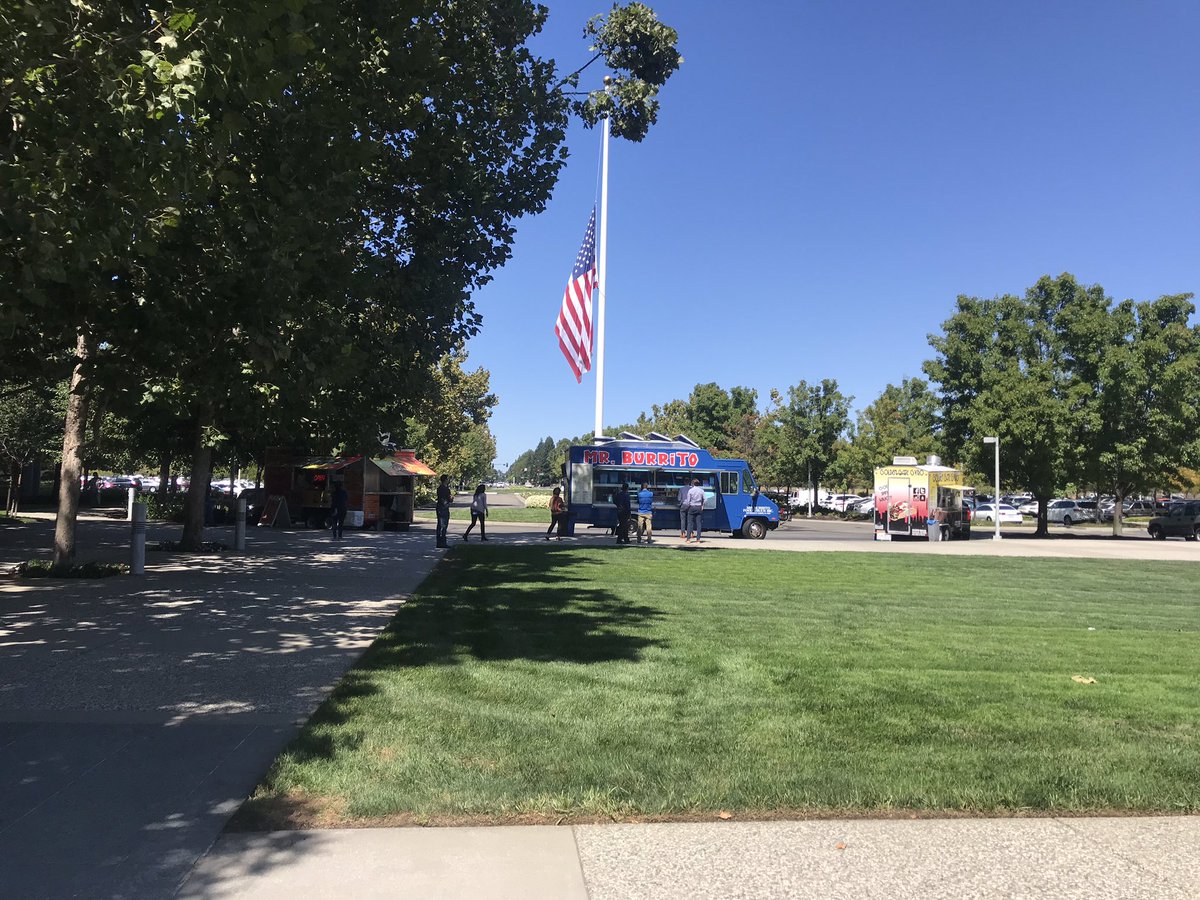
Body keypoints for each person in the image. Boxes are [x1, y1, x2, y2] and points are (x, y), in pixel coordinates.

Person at [684, 478, 705, 543]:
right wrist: (702, 506)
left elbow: (688, 500)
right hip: (698, 507)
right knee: (698, 524)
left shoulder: (690, 491)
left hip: (692, 507)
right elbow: (705, 499)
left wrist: (688, 506)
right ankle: (698, 539)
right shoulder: (701, 491)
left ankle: (688, 539)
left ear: (693, 484)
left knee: (690, 523)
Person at [435, 474, 452, 548]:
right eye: (447, 479)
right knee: (443, 525)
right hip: (443, 508)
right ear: (445, 480)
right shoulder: (445, 489)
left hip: (440, 508)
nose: (448, 480)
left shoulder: (439, 488)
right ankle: (442, 543)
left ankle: (439, 542)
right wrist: (449, 501)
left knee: (440, 525)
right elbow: (445, 499)